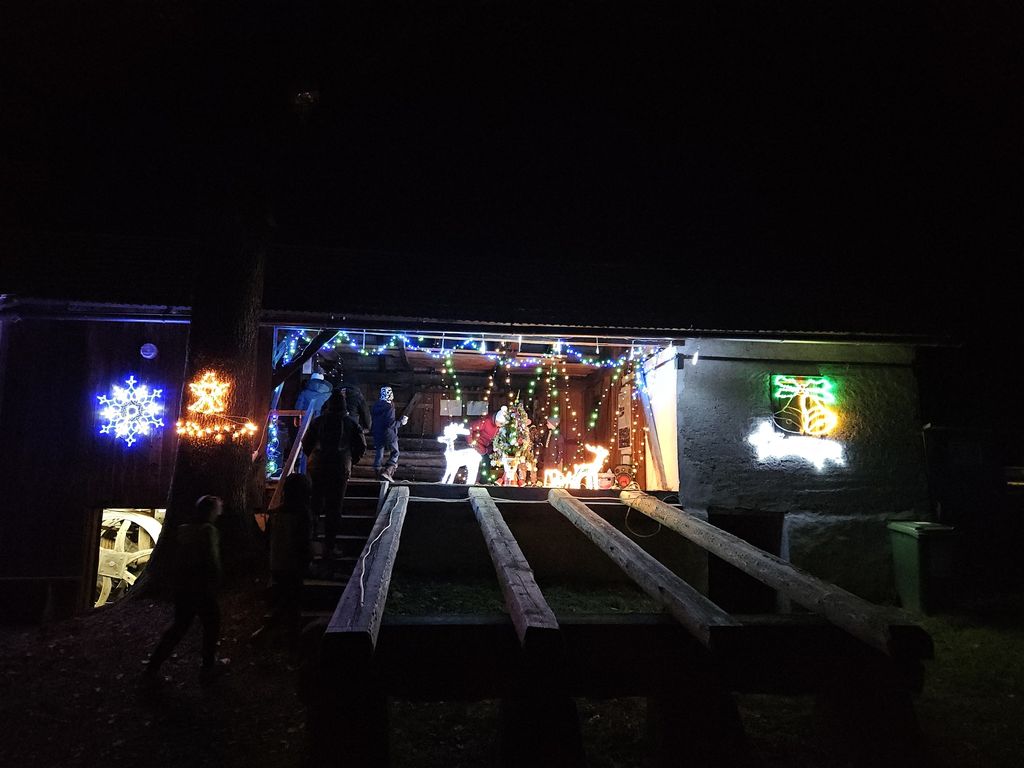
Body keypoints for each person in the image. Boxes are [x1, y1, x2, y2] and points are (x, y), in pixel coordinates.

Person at [143, 495, 228, 686]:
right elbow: (212, 561)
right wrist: (217, 580)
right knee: (212, 625)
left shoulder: (184, 530)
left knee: (178, 627)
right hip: (202, 587)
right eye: (217, 508)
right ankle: (208, 668)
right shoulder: (209, 531)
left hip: (183, 587)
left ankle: (153, 667)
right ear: (211, 511)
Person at [302, 391, 366, 565]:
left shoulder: (318, 422)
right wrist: (351, 460)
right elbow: (361, 446)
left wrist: (312, 457)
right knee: (334, 507)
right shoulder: (350, 423)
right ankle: (329, 547)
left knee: (315, 503)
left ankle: (311, 540)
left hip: (317, 466)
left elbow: (306, 443)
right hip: (339, 467)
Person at [250, 473, 311, 648]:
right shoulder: (302, 514)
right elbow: (303, 542)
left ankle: (274, 629)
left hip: (276, 562)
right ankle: (289, 637)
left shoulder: (275, 514)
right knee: (293, 600)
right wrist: (307, 560)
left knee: (285, 595)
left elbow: (267, 539)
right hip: (293, 564)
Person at [371, 386, 408, 482]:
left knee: (379, 453)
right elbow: (390, 424)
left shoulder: (375, 406)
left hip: (378, 433)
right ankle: (387, 472)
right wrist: (401, 422)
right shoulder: (389, 407)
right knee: (395, 453)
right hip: (389, 434)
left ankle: (378, 474)